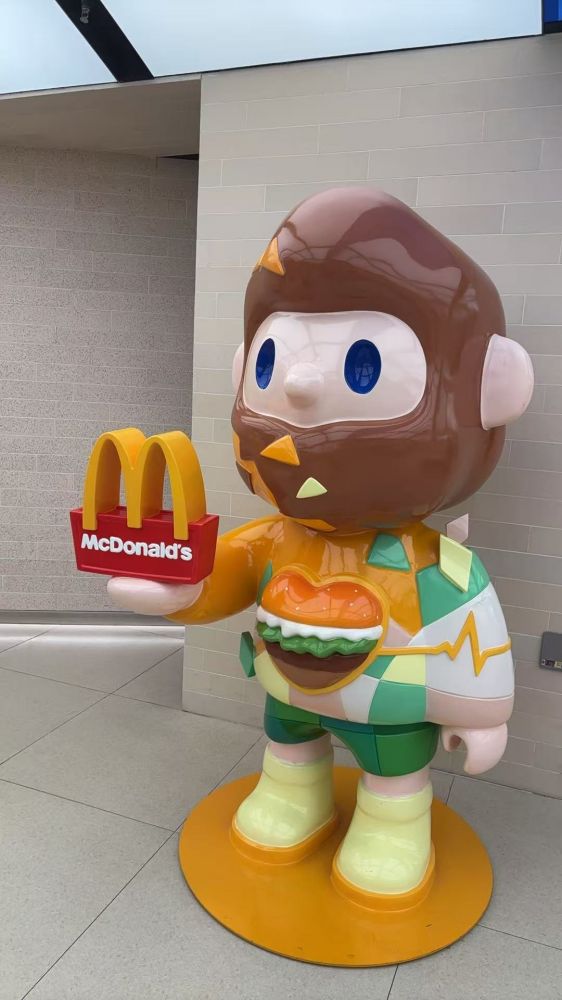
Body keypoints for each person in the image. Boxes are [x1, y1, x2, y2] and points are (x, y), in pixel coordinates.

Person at [108, 187, 534, 901]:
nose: (300, 384)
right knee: (289, 739)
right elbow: (228, 572)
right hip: (289, 689)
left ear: (494, 390)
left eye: (364, 364)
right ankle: (293, 791)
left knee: (391, 765)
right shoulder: (277, 536)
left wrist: (482, 714)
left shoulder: (437, 564)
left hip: (389, 705)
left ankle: (394, 822)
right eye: (269, 363)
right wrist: (180, 588)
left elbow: (471, 628)